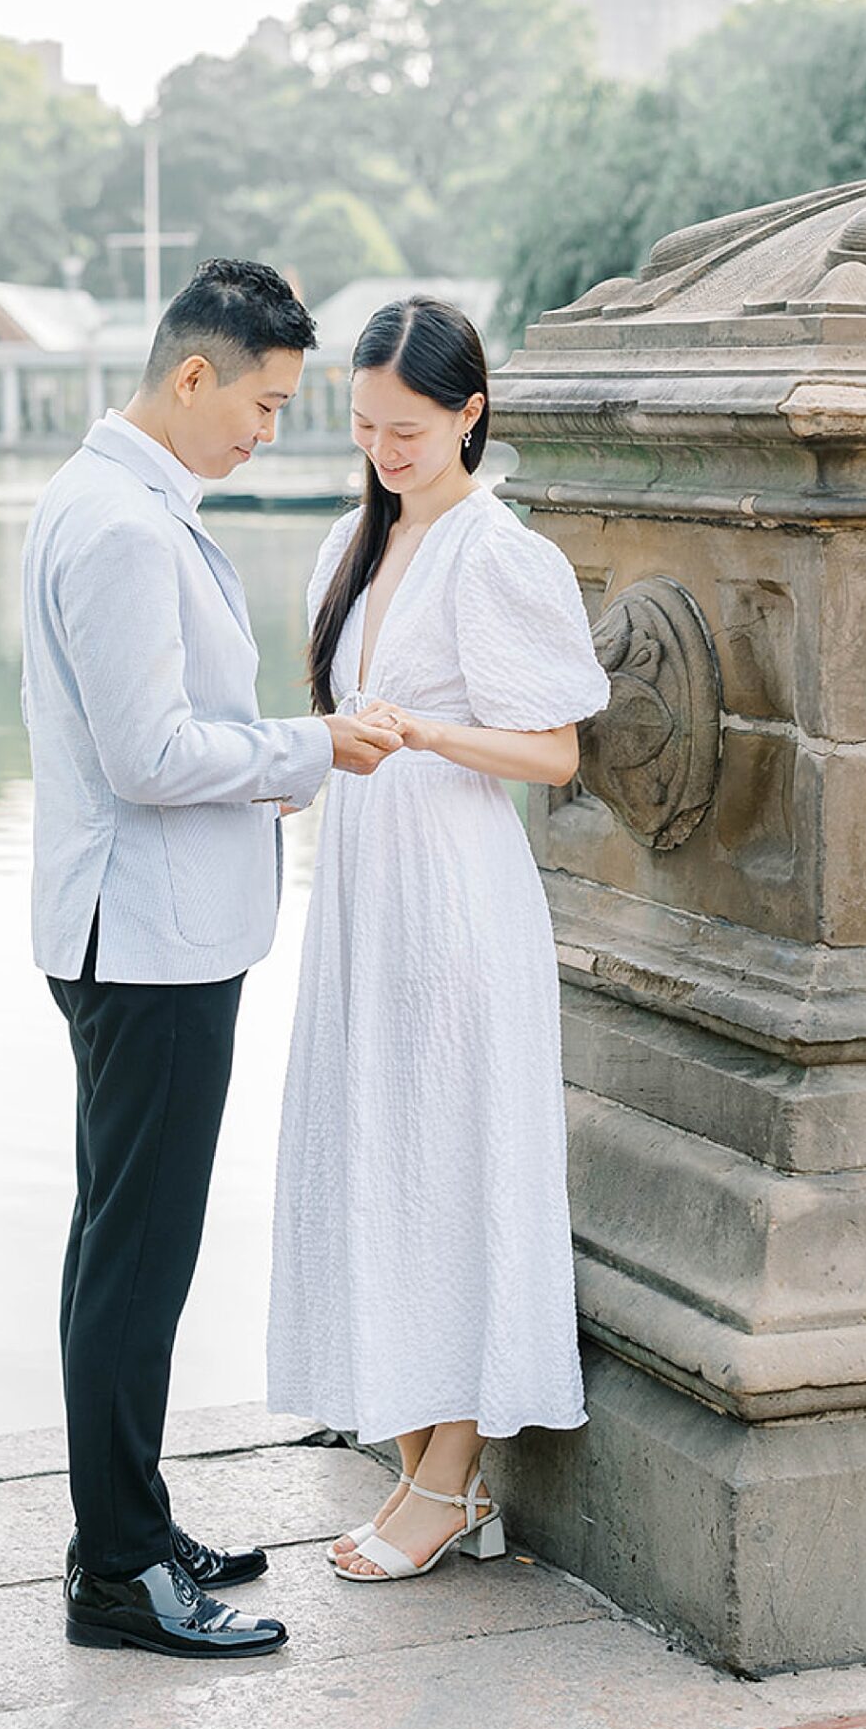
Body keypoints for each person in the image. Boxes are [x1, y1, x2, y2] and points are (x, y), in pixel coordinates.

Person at [20, 259, 402, 1658]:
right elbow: (149, 755)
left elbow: (170, 740)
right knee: (134, 1260)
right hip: (151, 944)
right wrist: (310, 748)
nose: (268, 432)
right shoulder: (120, 527)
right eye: (262, 402)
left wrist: (261, 768)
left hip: (137, 930)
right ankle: (118, 1573)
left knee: (119, 1248)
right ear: (193, 376)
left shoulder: (114, 499)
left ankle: (127, 1524)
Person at [266, 294, 612, 1581]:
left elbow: (555, 751)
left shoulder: (498, 553)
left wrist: (425, 730)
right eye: (363, 426)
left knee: (455, 1170)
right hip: (364, 892)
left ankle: (454, 1476)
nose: (383, 449)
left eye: (406, 428)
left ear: (470, 413)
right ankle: (420, 1467)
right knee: (379, 1164)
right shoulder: (345, 550)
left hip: (458, 896)